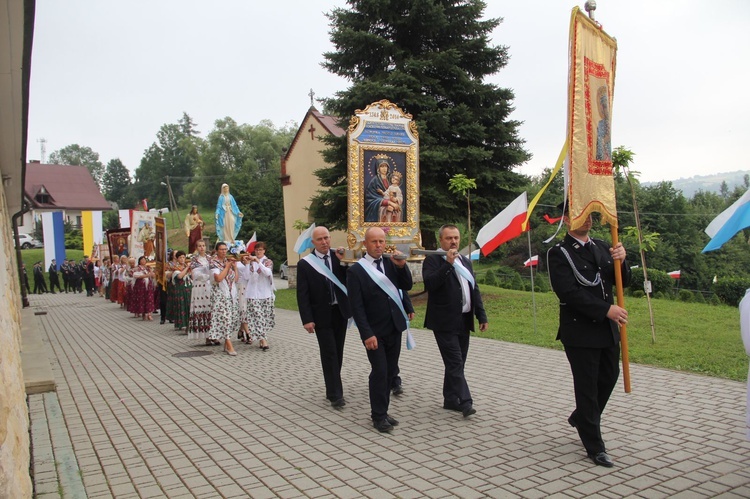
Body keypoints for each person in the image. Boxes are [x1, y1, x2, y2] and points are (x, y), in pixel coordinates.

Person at [547, 204, 630, 468]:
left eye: (592, 215)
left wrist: (622, 259)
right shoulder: (558, 253)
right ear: (568, 219)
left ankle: (582, 417)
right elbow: (568, 292)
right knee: (587, 387)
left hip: (607, 330)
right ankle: (595, 446)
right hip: (580, 331)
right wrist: (607, 309)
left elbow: (622, 281)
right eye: (583, 215)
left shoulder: (603, 246)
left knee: (609, 377)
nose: (590, 220)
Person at [347, 227, 414, 433]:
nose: (378, 246)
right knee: (380, 371)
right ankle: (377, 416)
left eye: (381, 241)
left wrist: (402, 267)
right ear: (365, 244)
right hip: (374, 333)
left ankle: (383, 411)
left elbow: (406, 286)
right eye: (374, 242)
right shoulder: (356, 271)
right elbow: (356, 307)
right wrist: (366, 334)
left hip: (394, 327)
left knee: (390, 371)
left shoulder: (391, 263)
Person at [423, 224, 488, 419]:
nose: (453, 242)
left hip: (463, 319)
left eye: (456, 238)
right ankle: (466, 401)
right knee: (455, 362)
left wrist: (481, 316)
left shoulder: (465, 262)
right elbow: (431, 284)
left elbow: (474, 289)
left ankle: (450, 399)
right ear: (441, 240)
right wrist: (447, 265)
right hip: (443, 321)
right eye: (449, 238)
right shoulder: (433, 260)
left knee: (458, 363)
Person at [297, 227, 352, 408]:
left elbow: (349, 280)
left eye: (327, 238)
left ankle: (332, 388)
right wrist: (307, 319)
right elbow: (302, 294)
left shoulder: (339, 258)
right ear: (313, 242)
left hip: (340, 312)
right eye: (320, 239)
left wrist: (346, 261)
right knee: (329, 353)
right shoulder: (306, 264)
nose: (324, 242)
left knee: (338, 352)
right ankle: (336, 394)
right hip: (321, 316)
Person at [239, 242, 275, 350]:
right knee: (257, 316)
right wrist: (246, 264)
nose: (258, 252)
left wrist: (258, 261)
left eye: (260, 250)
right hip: (253, 294)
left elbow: (267, 272)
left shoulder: (267, 262)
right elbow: (246, 277)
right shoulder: (250, 263)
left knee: (264, 317)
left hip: (265, 293)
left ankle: (261, 338)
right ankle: (264, 340)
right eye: (256, 250)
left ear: (264, 251)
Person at [209, 241, 240, 355]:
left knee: (231, 318)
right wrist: (227, 267)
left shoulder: (228, 262)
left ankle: (227, 344)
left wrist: (235, 268)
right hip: (220, 295)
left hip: (231, 294)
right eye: (221, 249)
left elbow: (235, 279)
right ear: (217, 251)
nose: (223, 251)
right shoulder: (213, 263)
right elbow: (218, 278)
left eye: (225, 249)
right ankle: (229, 343)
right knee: (225, 318)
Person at [187, 240, 214, 344]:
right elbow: (195, 274)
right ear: (196, 248)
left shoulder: (210, 259)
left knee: (211, 309)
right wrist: (207, 276)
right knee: (203, 308)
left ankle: (212, 335)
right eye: (199, 246)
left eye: (203, 246)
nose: (202, 248)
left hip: (210, 286)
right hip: (199, 287)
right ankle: (206, 336)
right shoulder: (194, 260)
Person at [365, 158, 393, 223]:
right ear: (378, 168)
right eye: (382, 166)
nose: (384, 168)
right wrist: (387, 202)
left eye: (385, 166)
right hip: (379, 206)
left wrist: (393, 200)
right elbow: (370, 199)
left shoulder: (391, 180)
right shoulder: (374, 181)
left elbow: (395, 193)